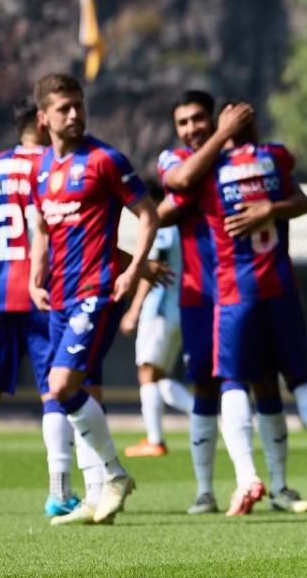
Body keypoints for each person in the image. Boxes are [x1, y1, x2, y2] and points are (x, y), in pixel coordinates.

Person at [165, 100, 307, 514]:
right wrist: (270, 205)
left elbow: (178, 186)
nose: (192, 128)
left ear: (220, 125)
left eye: (201, 120)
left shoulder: (208, 170)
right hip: (278, 286)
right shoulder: (275, 158)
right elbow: (301, 199)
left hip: (233, 293)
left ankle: (249, 478)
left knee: (232, 383)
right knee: (299, 378)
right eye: (184, 122)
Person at [28, 73, 160, 525]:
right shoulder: (41, 169)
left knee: (63, 386)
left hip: (96, 292)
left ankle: (115, 476)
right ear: (44, 118)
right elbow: (43, 226)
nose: (75, 115)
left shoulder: (106, 159)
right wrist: (34, 276)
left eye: (79, 105)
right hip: (59, 298)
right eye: (64, 108)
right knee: (73, 393)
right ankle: (95, 493)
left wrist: (134, 268)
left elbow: (149, 214)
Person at [0, 98, 79, 517]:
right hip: (45, 293)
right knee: (54, 392)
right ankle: (59, 493)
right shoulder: (55, 166)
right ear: (44, 124)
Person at [119, 179, 194, 458]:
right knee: (160, 377)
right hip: (178, 309)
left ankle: (155, 439)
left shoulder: (161, 228)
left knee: (147, 373)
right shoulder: (181, 228)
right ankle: (201, 413)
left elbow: (154, 271)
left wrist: (134, 309)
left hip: (159, 310)